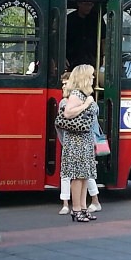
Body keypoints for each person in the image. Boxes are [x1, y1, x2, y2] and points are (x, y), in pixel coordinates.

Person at [57, 72, 102, 215]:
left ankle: (83, 207)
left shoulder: (82, 94)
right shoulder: (76, 95)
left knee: (84, 175)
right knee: (77, 176)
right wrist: (87, 104)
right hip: (77, 140)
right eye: (91, 75)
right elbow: (68, 114)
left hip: (85, 139)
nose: (94, 78)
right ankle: (76, 209)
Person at [66, 0, 106, 70]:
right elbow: (61, 39)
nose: (88, 7)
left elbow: (103, 39)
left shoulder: (97, 19)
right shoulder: (69, 19)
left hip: (93, 60)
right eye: (86, 4)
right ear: (79, 3)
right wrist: (63, 57)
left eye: (91, 4)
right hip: (72, 61)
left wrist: (104, 56)